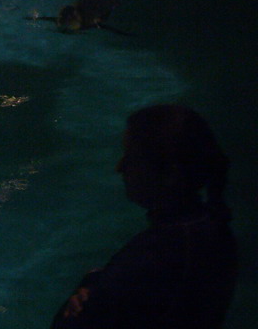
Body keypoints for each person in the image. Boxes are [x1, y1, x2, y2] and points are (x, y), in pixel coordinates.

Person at [51, 103, 237, 329]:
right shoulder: (212, 229)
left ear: (170, 173)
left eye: (131, 157)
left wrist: (90, 287)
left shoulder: (157, 254)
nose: (120, 167)